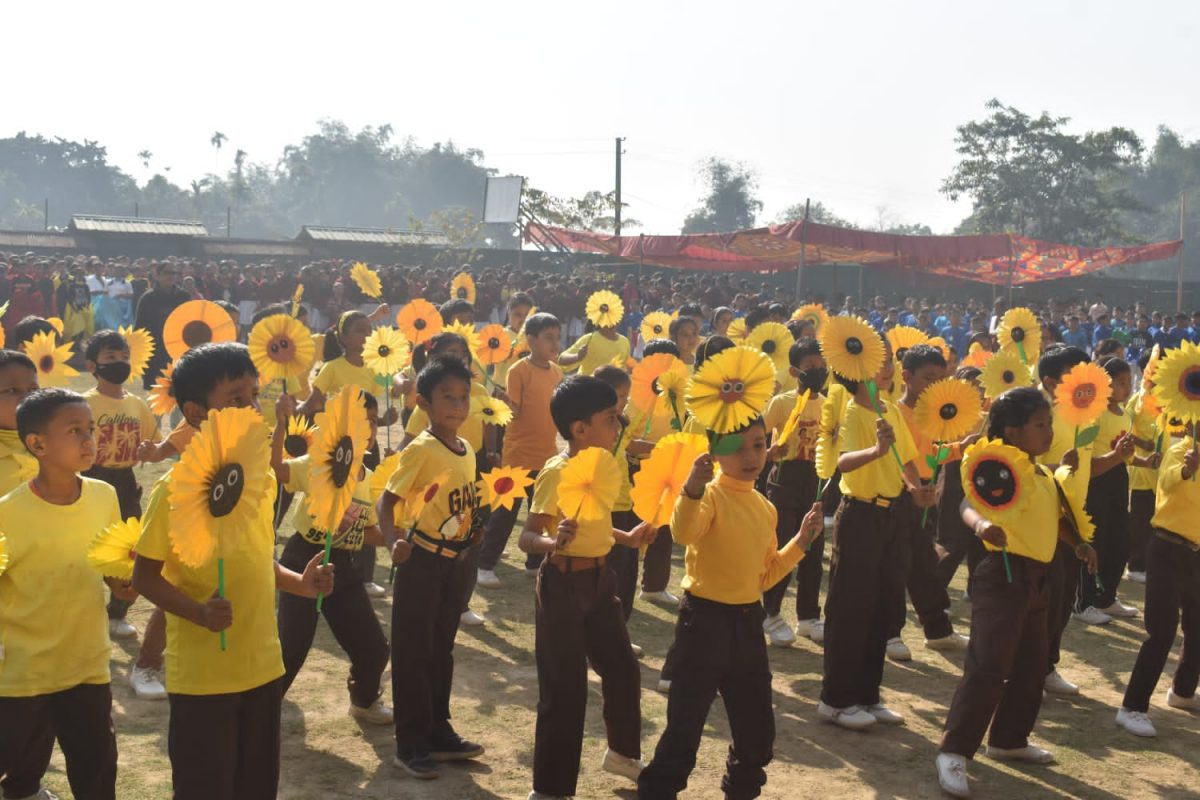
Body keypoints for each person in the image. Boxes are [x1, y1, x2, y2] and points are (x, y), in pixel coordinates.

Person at [131, 343, 334, 799]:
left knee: (256, 784)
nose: (250, 408)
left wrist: (300, 583)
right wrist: (198, 612)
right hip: (204, 678)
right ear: (196, 412)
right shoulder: (173, 491)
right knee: (206, 786)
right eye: (235, 399)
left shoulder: (258, 477)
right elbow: (145, 578)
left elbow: (260, 558)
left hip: (263, 665)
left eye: (253, 395)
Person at [637, 419, 824, 799]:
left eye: (758, 444)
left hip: (747, 623)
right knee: (684, 728)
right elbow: (684, 533)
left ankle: (741, 791)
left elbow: (765, 577)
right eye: (737, 447)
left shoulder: (764, 507)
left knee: (756, 730)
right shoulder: (707, 496)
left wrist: (801, 541)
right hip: (703, 622)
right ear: (715, 452)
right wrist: (691, 487)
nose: (750, 455)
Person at [935, 387, 1099, 798]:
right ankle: (953, 751)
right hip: (1003, 576)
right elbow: (966, 507)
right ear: (1012, 430)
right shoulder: (995, 468)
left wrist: (1077, 542)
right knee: (989, 667)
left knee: (1031, 666)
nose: (1048, 432)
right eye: (1040, 425)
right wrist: (981, 527)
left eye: (1049, 423)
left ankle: (1009, 740)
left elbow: (1056, 518)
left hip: (1040, 578)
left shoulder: (1042, 474)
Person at [518, 375, 654, 800]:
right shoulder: (556, 471)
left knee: (622, 668)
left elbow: (595, 523)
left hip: (601, 581)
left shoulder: (604, 464)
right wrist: (551, 541)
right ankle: (551, 789)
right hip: (562, 584)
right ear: (580, 429)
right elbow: (528, 537)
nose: (618, 427)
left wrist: (627, 538)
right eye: (610, 419)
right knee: (565, 688)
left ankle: (622, 753)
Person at [0, 388, 125, 800]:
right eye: (74, 431)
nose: (89, 439)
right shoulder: (7, 513)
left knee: (96, 774)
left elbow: (112, 569)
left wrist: (126, 582)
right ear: (37, 444)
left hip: (87, 665)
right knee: (19, 775)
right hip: (23, 675)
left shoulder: (104, 496)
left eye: (90, 429)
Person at [376, 357, 486, 780]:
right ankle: (411, 742)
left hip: (455, 562)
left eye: (464, 397)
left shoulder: (467, 448)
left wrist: (472, 531)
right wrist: (391, 542)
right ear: (423, 402)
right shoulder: (421, 449)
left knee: (442, 649)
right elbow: (388, 501)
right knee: (413, 652)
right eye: (448, 397)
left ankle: (439, 731)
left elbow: (460, 502)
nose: (458, 406)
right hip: (420, 560)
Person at [816, 340, 934, 730]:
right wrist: (875, 450)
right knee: (851, 608)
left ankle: (868, 693)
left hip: (893, 515)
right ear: (857, 372)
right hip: (861, 515)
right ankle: (835, 699)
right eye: (877, 363)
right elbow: (842, 463)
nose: (888, 369)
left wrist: (917, 489)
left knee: (883, 607)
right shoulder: (852, 412)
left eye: (889, 361)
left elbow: (908, 460)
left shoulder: (890, 410)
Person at [271, 389, 392, 725]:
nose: (366, 430)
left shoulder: (368, 477)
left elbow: (367, 532)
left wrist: (399, 538)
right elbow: (277, 469)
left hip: (345, 568)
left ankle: (364, 701)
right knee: (291, 648)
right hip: (302, 560)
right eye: (359, 422)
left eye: (371, 422)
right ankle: (261, 709)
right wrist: (281, 423)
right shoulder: (316, 463)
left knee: (375, 648)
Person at [79, 329, 166, 699]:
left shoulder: (138, 403)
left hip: (126, 481)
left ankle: (117, 614)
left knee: (128, 549)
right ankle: (87, 616)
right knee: (89, 546)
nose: (118, 364)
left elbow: (151, 442)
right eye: (110, 357)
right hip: (90, 479)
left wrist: (151, 449)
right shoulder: (85, 403)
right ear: (92, 365)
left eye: (122, 357)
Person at [1115, 420, 1200, 738]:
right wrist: (1188, 470)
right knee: (1161, 632)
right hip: (1167, 548)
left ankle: (1183, 691)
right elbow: (1167, 480)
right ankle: (1131, 707)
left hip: (1196, 552)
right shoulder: (1180, 451)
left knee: (1196, 627)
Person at [890, 345, 971, 659]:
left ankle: (938, 630)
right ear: (907, 377)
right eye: (928, 378)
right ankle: (891, 633)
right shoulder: (895, 413)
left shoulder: (934, 413)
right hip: (901, 492)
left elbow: (932, 453)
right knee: (897, 565)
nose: (934, 385)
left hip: (925, 491)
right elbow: (897, 457)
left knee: (924, 563)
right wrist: (912, 487)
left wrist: (959, 448)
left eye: (940, 379)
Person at [476, 313, 564, 588]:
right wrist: (503, 402)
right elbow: (513, 413)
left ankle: (534, 564)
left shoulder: (557, 372)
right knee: (505, 513)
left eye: (557, 338)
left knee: (540, 512)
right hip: (517, 454)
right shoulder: (519, 371)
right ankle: (484, 565)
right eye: (548, 338)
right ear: (531, 340)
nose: (555, 344)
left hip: (547, 455)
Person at [1035, 345, 1096, 696]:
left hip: (1075, 517)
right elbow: (1022, 467)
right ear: (1050, 380)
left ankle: (1046, 667)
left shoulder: (1080, 413)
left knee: (1061, 600)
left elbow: (1084, 465)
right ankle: (1029, 668)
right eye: (1074, 373)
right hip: (1045, 519)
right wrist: (1056, 469)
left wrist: (1116, 457)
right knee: (1043, 600)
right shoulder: (1036, 414)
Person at [1073, 357, 1152, 623]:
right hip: (1096, 480)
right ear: (1106, 385)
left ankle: (1105, 598)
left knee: (1119, 542)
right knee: (1094, 541)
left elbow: (1125, 455)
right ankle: (1082, 602)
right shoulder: (1096, 414)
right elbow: (1090, 453)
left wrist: (1145, 462)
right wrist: (1117, 457)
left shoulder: (1125, 415)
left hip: (1119, 480)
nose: (1127, 388)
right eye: (1120, 383)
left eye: (1129, 382)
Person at [760, 338, 827, 647]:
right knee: (784, 545)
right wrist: (771, 451)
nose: (817, 372)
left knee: (812, 549)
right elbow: (757, 435)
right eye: (809, 367)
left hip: (813, 481)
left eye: (821, 366)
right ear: (794, 370)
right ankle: (770, 612)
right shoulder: (782, 402)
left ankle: (809, 616)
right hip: (784, 480)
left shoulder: (827, 404)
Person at [133, 262, 189, 389]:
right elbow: (139, 328)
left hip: (177, 351)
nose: (171, 276)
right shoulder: (147, 298)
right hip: (154, 352)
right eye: (166, 273)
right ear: (157, 275)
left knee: (178, 391)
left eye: (174, 273)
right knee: (154, 392)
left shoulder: (183, 297)